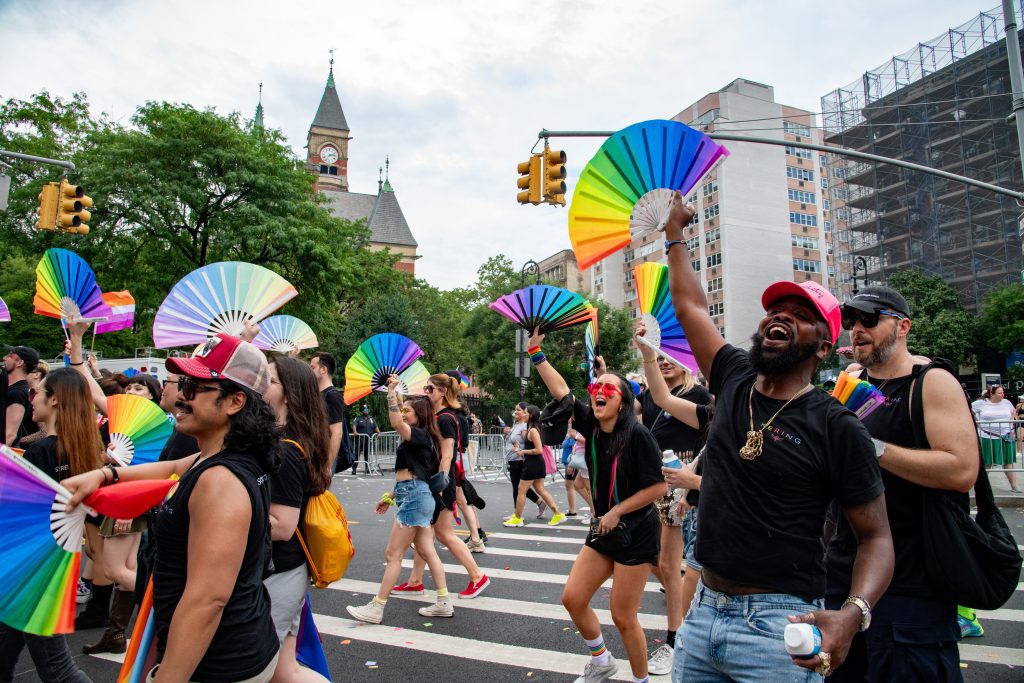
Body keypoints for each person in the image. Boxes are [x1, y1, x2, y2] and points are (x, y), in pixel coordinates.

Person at [662, 192, 893, 681]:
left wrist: (852, 615)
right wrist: (675, 235)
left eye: (800, 314)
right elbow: (690, 307)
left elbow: (876, 537)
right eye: (776, 309)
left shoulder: (837, 426)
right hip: (702, 611)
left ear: (825, 345)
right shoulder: (734, 376)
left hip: (779, 628)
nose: (780, 316)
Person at [61, 333, 281, 681]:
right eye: (184, 384)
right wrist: (106, 475)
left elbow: (207, 602)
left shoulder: (220, 481)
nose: (181, 396)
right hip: (236, 646)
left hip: (217, 664)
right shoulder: (218, 456)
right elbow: (175, 468)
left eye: (195, 387)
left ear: (235, 401)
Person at [823, 286, 983, 679]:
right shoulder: (852, 383)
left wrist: (874, 447)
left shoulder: (931, 382)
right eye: (851, 321)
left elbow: (962, 470)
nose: (857, 329)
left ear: (903, 325)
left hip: (911, 588)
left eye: (870, 319)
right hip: (844, 578)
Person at [527, 330, 666, 683]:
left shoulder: (638, 435)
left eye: (609, 389)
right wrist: (536, 352)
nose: (599, 393)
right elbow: (560, 391)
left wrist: (618, 510)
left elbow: (659, 486)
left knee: (623, 615)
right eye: (596, 388)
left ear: (623, 401)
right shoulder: (591, 424)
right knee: (573, 598)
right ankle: (602, 661)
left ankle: (641, 679)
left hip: (635, 531)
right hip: (603, 528)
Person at [0, 368, 101, 683]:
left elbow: (18, 510)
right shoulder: (85, 448)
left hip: (31, 566)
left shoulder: (42, 450)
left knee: (57, 669)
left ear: (54, 400)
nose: (32, 399)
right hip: (56, 560)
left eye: (37, 392)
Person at [634, 326, 712, 678]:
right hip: (665, 486)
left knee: (688, 569)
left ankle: (680, 639)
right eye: (661, 360)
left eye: (671, 358)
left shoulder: (703, 400)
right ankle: (679, 636)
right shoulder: (657, 395)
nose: (666, 363)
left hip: (691, 494)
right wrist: (649, 353)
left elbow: (707, 449)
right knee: (668, 565)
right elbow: (656, 399)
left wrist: (690, 484)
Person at [347, 376, 452, 623]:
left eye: (408, 411)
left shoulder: (419, 435)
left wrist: (391, 393)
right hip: (414, 493)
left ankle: (377, 607)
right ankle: (444, 601)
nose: (404, 413)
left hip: (416, 496)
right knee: (427, 551)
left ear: (420, 415)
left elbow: (396, 423)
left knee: (393, 554)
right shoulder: (421, 436)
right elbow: (409, 474)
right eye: (404, 410)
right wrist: (389, 497)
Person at [263, 356, 333, 682]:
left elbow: (283, 525)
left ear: (288, 394)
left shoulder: (287, 450)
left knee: (271, 670)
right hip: (285, 569)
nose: (262, 385)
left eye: (270, 380)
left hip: (280, 569)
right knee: (283, 672)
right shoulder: (283, 440)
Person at [394, 373, 490, 599]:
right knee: (423, 532)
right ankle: (415, 580)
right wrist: (396, 396)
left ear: (443, 392)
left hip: (441, 481)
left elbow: (447, 455)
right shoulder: (436, 414)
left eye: (430, 389)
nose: (426, 392)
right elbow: (408, 412)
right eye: (425, 388)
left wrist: (440, 483)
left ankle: (477, 576)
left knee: (443, 533)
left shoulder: (446, 418)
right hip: (435, 480)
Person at [503, 404, 566, 527]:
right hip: (534, 463)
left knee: (521, 490)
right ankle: (558, 514)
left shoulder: (533, 430)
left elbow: (539, 449)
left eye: (526, 412)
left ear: (531, 415)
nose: (524, 414)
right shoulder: (531, 428)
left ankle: (517, 518)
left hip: (533, 463)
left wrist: (523, 452)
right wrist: (520, 449)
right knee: (540, 490)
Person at [972, 384, 1019, 492]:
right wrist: (975, 423)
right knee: (986, 462)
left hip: (1006, 435)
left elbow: (1013, 411)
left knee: (1008, 461)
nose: (1003, 395)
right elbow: (969, 411)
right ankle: (982, 488)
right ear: (991, 394)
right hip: (987, 436)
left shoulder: (1007, 402)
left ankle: (1014, 486)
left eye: (1003, 392)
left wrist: (1011, 423)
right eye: (1000, 393)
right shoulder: (980, 403)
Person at [310, 352, 352, 473]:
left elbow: (337, 433)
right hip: (314, 455)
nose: (309, 370)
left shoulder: (333, 396)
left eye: (312, 367)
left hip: (323, 459)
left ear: (323, 370)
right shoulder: (317, 394)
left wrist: (328, 465)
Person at [503, 402, 544, 519]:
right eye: (515, 409)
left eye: (519, 410)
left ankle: (517, 514)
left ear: (526, 413)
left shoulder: (524, 427)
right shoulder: (516, 425)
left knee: (519, 487)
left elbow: (527, 443)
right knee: (519, 486)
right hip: (513, 459)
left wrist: (521, 452)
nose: (516, 412)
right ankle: (539, 503)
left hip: (519, 459)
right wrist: (506, 433)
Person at [3, 345, 41, 446]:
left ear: (20, 362)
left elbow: (9, 434)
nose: (4, 358)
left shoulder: (18, 393)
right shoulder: (12, 389)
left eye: (10, 356)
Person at [351, 405, 379, 475]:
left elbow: (375, 427)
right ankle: (354, 469)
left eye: (367, 409)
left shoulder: (371, 419)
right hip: (360, 440)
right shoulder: (358, 418)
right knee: (357, 455)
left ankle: (367, 468)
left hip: (368, 440)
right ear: (362, 411)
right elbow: (354, 425)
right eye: (364, 410)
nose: (366, 411)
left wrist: (378, 432)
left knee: (367, 455)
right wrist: (355, 431)